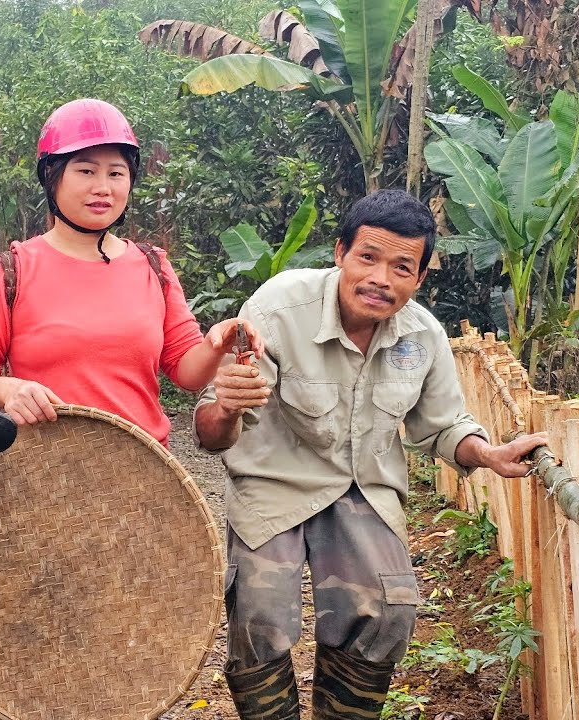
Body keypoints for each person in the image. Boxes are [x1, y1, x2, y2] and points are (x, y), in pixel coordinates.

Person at [193, 189, 549, 719]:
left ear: (420, 277)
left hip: (363, 486)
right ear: (340, 253)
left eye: (402, 266)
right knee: (260, 616)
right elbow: (213, 430)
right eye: (368, 257)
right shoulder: (276, 308)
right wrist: (224, 408)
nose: (382, 278)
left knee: (387, 611)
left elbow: (443, 426)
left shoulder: (424, 337)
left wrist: (489, 454)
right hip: (274, 481)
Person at [0, 98, 263, 446]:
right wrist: (9, 389)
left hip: (145, 474)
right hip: (45, 475)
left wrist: (218, 342)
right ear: (53, 177)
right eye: (85, 170)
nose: (103, 187)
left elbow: (186, 372)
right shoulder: (10, 272)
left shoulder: (153, 266)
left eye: (116, 172)